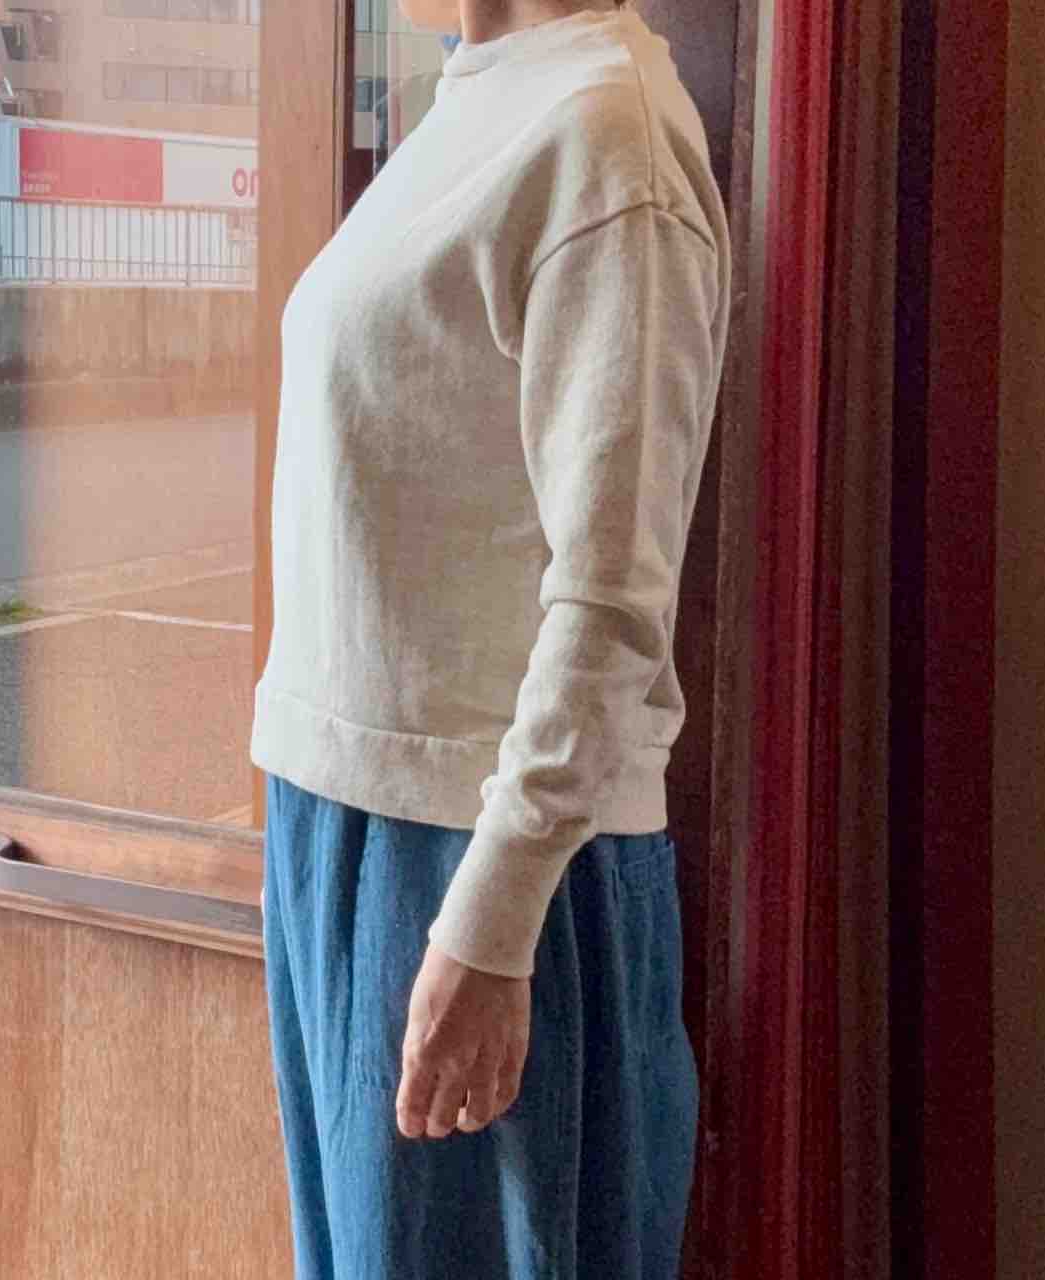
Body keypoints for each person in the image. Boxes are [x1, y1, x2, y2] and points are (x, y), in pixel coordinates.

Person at [250, 1, 732, 1275]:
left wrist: (490, 918)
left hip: (487, 854)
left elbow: (612, 596)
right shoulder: (479, 98)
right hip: (346, 822)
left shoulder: (609, 139)